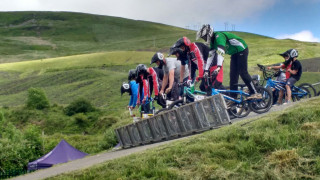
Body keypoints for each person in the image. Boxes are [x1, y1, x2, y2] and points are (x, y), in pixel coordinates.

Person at [196, 24, 261, 99]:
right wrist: (206, 70)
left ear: (209, 33)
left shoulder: (219, 36)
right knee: (233, 76)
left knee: (243, 72)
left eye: (204, 37)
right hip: (234, 54)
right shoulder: (213, 43)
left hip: (242, 50)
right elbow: (210, 57)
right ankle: (233, 99)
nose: (204, 39)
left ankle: (255, 92)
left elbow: (220, 52)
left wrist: (219, 67)